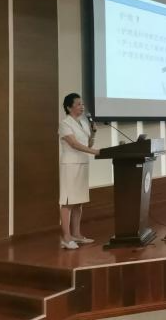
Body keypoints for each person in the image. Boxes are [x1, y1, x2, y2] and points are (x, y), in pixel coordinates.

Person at [59, 93, 100, 250]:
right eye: (78, 104)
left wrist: (93, 133)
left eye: (82, 104)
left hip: (82, 163)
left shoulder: (83, 123)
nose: (82, 106)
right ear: (69, 107)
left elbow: (87, 144)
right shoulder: (65, 123)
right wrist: (95, 152)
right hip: (70, 165)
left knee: (78, 201)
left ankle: (76, 234)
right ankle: (66, 237)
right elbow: (74, 144)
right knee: (68, 201)